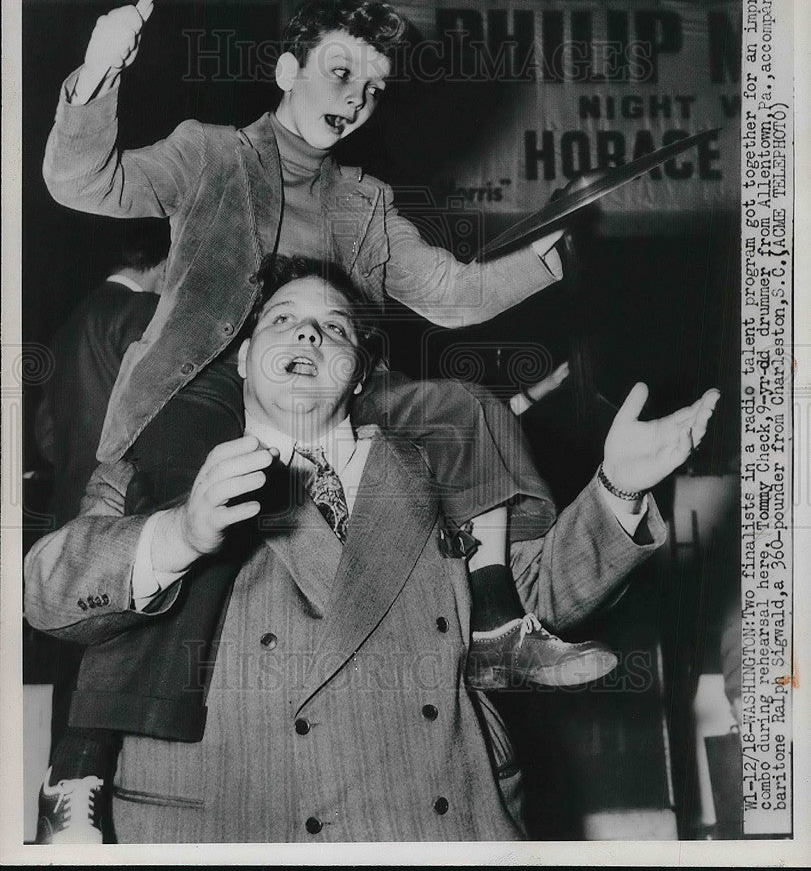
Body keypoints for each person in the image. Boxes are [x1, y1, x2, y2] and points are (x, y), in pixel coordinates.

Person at [24, 256, 720, 844]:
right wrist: (181, 534)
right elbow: (49, 597)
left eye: (333, 329)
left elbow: (532, 603)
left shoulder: (439, 462)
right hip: (233, 824)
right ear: (239, 358)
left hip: (435, 819)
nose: (308, 333)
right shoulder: (152, 469)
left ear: (359, 374)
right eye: (283, 319)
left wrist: (616, 490)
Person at [40, 0, 587, 683]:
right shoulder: (209, 154)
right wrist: (96, 72)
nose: (356, 99)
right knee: (181, 530)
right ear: (286, 71)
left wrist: (550, 256)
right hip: (204, 387)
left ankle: (496, 622)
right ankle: (90, 750)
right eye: (339, 73)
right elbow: (81, 180)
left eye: (373, 88)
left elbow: (450, 297)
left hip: (333, 393)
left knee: (467, 410)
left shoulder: (367, 203)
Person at [35, 219, 170, 527]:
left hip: (67, 509)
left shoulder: (69, 324)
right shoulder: (145, 311)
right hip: (122, 507)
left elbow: (46, 436)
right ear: (166, 264)